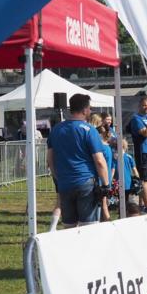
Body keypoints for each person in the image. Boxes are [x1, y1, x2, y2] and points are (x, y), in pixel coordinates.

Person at [46, 93, 110, 227]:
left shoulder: (56, 129)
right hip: (85, 182)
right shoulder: (89, 130)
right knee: (88, 227)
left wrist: (57, 177)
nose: (90, 111)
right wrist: (106, 184)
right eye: (90, 108)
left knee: (69, 227)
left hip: (65, 183)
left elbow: (50, 159)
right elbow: (99, 160)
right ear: (85, 110)